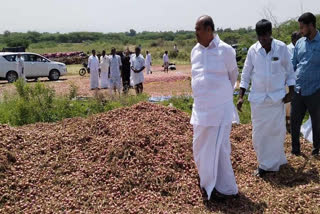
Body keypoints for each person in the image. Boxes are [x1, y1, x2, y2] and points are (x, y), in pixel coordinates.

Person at [237, 19, 296, 177]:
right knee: (259, 133)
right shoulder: (253, 50)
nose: (262, 40)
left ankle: (276, 161)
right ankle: (264, 164)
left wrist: (291, 91)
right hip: (258, 100)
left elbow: (289, 71)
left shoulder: (281, 48)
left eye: (265, 37)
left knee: (277, 132)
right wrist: (241, 96)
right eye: (259, 37)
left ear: (270, 34)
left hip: (277, 99)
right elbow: (246, 74)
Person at [191, 15, 239, 201]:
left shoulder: (225, 50)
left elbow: (232, 76)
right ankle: (207, 181)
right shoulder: (195, 51)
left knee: (219, 150)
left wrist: (220, 95)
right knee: (199, 146)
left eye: (198, 29)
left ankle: (224, 189)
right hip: (200, 110)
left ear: (209, 30)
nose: (195, 33)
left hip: (219, 111)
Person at [291, 12, 320, 156]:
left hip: (316, 89)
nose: (300, 31)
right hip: (299, 89)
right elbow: (293, 64)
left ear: (311, 26)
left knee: (317, 122)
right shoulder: (300, 43)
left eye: (302, 27)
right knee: (295, 121)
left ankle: (316, 150)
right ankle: (295, 150)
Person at [285, 32, 302, 132]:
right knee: (288, 103)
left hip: (299, 80)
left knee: (296, 103)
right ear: (293, 39)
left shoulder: (302, 47)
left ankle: (293, 124)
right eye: (298, 38)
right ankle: (287, 124)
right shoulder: (287, 49)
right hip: (289, 80)